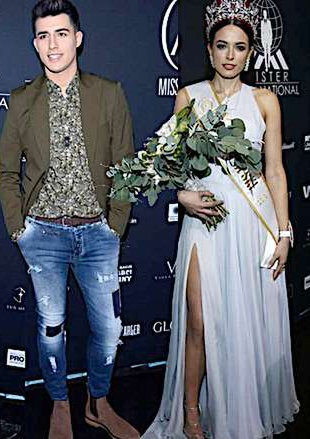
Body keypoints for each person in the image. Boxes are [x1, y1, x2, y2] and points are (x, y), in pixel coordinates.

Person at [143, 1, 299, 437]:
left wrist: (283, 232)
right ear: (209, 49)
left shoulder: (265, 101)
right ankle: (191, 411)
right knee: (198, 320)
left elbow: (274, 171)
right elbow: (171, 166)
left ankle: (239, 410)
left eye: (240, 47)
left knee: (242, 324)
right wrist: (182, 195)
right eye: (223, 45)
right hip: (204, 223)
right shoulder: (188, 97)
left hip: (251, 223)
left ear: (250, 53)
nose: (231, 55)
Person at [0, 1, 139, 438]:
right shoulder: (22, 100)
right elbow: (6, 170)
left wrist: (115, 226)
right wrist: (20, 229)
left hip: (98, 233)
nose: (52, 44)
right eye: (43, 35)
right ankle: (59, 403)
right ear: (35, 43)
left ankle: (98, 402)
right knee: (51, 327)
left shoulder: (108, 93)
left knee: (109, 329)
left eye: (61, 33)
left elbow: (126, 165)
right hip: (42, 234)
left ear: (78, 38)